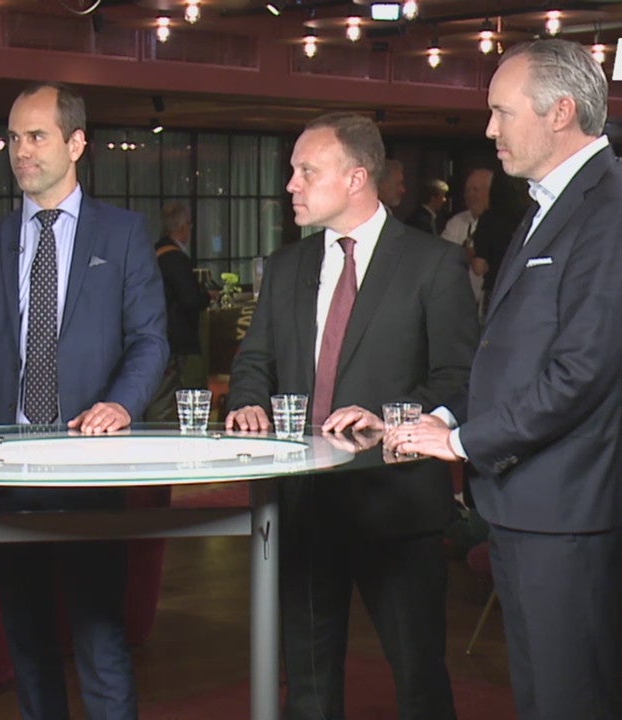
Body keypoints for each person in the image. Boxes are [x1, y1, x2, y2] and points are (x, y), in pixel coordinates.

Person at [387, 40, 622, 720]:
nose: (489, 129)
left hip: (568, 507)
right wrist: (445, 418)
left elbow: (579, 375)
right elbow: (511, 354)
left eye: (502, 112)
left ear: (560, 112)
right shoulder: (547, 205)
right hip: (527, 503)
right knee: (543, 698)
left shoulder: (616, 211)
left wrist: (462, 443)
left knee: (571, 700)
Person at [226, 112, 476, 720]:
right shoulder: (285, 267)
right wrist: (248, 400)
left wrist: (395, 418)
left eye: (306, 171)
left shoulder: (432, 264)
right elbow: (254, 361)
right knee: (308, 688)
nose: (291, 184)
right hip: (303, 505)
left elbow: (460, 377)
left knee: (419, 681)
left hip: (398, 504)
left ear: (357, 177)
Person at [0, 82, 168, 720]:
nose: (22, 150)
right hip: (4, 471)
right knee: (27, 639)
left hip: (88, 467)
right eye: (14, 138)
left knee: (100, 636)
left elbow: (150, 341)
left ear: (76, 143)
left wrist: (121, 405)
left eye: (37, 136)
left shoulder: (123, 234)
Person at [144, 201, 210, 421]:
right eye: (189, 224)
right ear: (182, 227)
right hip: (177, 340)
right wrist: (206, 296)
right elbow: (190, 299)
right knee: (178, 397)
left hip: (157, 333)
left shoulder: (154, 252)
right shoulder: (175, 258)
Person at [470, 171, 530, 313]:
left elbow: (479, 267)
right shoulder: (530, 216)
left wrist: (469, 253)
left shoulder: (489, 219)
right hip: (525, 289)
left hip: (495, 288)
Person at [441, 168, 495, 303]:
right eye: (467, 190)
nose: (470, 195)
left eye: (475, 190)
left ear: (490, 192)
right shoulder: (456, 222)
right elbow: (442, 258)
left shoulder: (501, 226)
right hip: (458, 301)